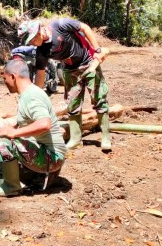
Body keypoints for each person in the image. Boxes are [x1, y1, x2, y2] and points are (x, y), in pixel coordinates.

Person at [18, 17, 111, 152]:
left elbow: (84, 27)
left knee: (99, 98)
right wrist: (34, 94)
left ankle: (106, 137)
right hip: (69, 71)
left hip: (89, 62)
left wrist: (97, 50)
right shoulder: (41, 51)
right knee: (72, 103)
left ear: (38, 32)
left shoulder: (60, 25)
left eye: (32, 39)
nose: (32, 43)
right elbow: (40, 73)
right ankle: (76, 139)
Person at [0, 59, 66, 197]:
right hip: (52, 156)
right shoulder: (30, 92)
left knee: (3, 143)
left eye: (5, 79)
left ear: (13, 76)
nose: (5, 83)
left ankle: (11, 186)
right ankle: (32, 176)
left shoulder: (31, 97)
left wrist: (14, 133)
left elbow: (44, 124)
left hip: (52, 158)